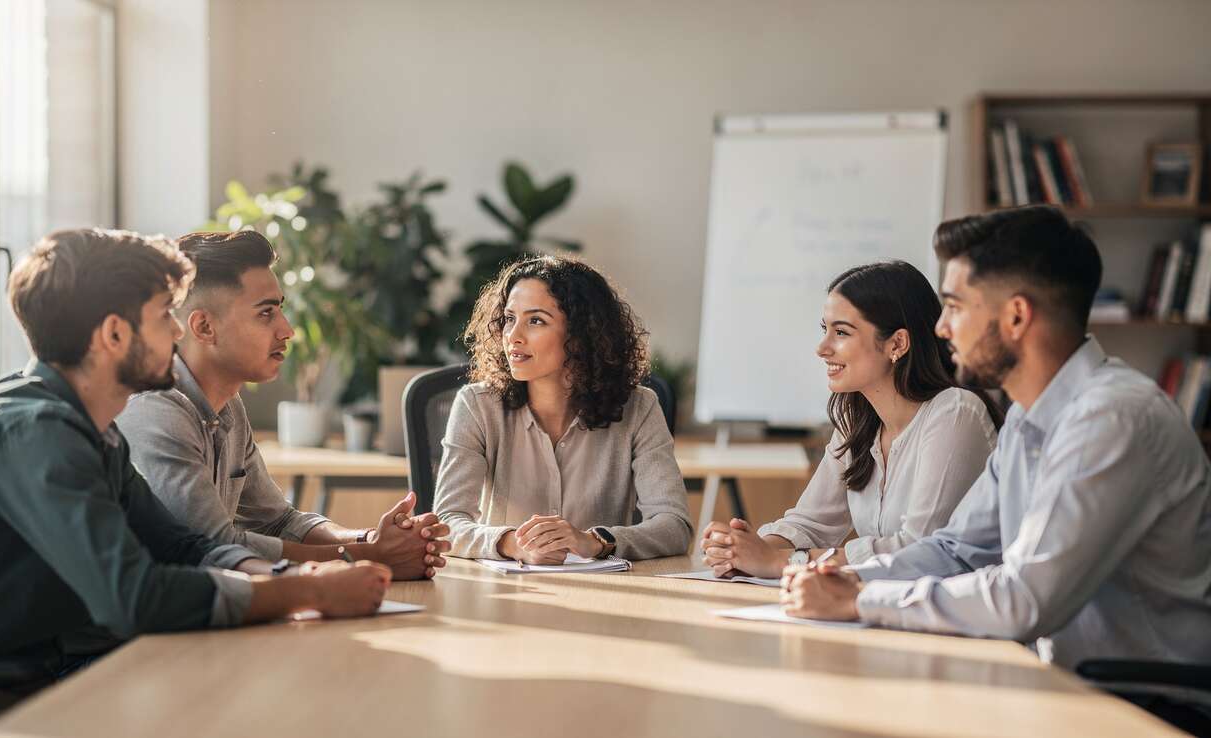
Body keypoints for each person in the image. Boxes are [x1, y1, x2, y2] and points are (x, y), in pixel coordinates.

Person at [0, 229, 390, 733]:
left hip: (40, 674)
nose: (177, 333)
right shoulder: (35, 433)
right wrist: (308, 594)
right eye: (163, 316)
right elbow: (133, 597)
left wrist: (290, 580)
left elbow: (181, 545)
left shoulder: (90, 426)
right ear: (113, 334)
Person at [781, 206, 1211, 675]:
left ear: (1016, 317)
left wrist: (862, 599)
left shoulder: (1109, 419)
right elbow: (955, 550)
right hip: (1067, 682)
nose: (942, 328)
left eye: (956, 307)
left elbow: (1025, 599)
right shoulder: (1030, 417)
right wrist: (841, 578)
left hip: (1147, 702)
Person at [117, 230, 448, 580]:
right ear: (204, 327)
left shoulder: (229, 407)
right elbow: (214, 548)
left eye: (280, 311)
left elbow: (279, 521)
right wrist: (366, 556)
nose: (287, 330)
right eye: (265, 314)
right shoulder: (157, 410)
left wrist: (370, 539)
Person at [701, 261, 1001, 577]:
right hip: (890, 608)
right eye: (825, 330)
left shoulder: (955, 413)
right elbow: (811, 523)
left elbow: (918, 550)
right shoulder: (856, 418)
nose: (822, 348)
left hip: (954, 616)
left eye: (841, 332)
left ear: (897, 344)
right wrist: (745, 549)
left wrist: (782, 562)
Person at [434, 255, 693, 563]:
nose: (513, 336)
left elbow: (674, 526)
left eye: (536, 321)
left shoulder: (639, 408)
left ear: (582, 336)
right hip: (506, 592)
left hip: (607, 594)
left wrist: (596, 542)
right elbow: (447, 522)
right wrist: (511, 544)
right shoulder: (477, 406)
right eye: (509, 318)